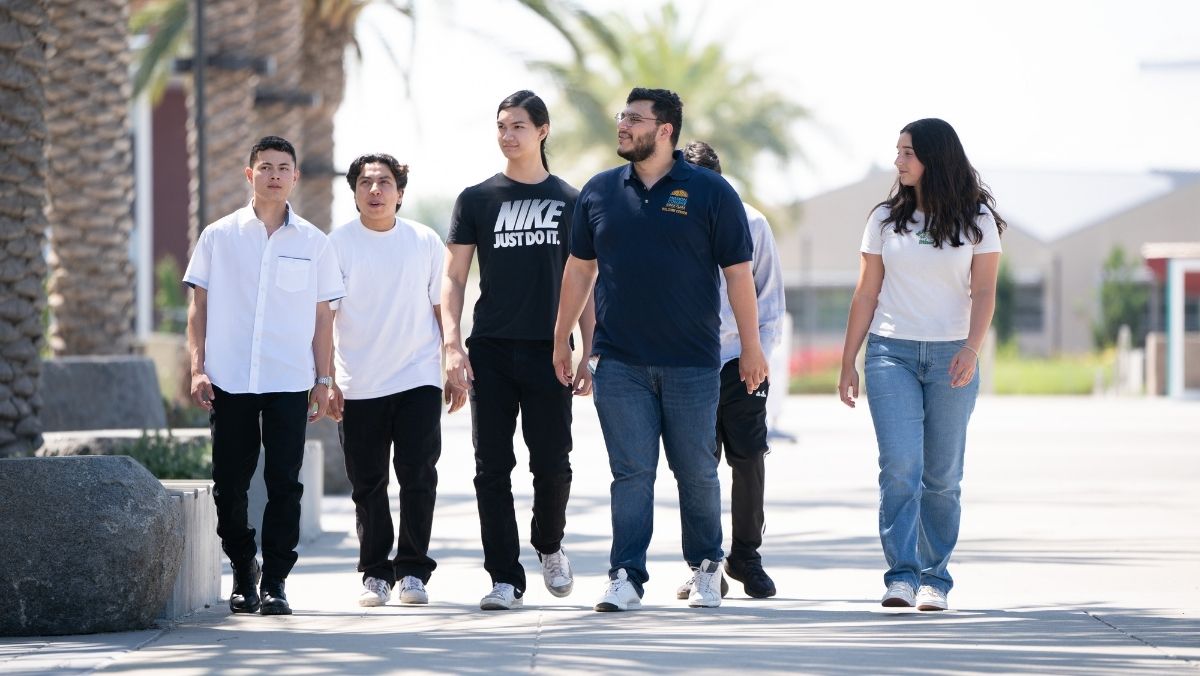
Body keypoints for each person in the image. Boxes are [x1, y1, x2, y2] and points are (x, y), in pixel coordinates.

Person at [553, 88, 768, 612]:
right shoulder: (600, 191)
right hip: (619, 362)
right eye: (622, 116)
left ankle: (706, 568)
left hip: (693, 362)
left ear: (665, 130)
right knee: (631, 473)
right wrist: (562, 337)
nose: (623, 125)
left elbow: (739, 274)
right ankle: (625, 575)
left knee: (696, 471)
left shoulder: (711, 192)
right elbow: (579, 269)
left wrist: (752, 347)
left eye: (635, 118)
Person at [838, 118, 1004, 611]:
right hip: (891, 354)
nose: (898, 161)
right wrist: (848, 361)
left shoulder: (977, 219)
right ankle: (901, 576)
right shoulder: (885, 219)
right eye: (898, 151)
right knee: (900, 468)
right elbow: (866, 293)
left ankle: (935, 579)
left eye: (907, 152)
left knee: (943, 476)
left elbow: (985, 291)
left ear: (935, 156)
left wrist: (971, 348)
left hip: (953, 355)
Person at [442, 90, 594, 611]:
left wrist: (588, 350)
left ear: (543, 131)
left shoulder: (572, 201)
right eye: (502, 126)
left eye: (519, 126)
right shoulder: (476, 199)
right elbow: (453, 277)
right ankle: (504, 578)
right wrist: (452, 344)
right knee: (491, 468)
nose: (508, 135)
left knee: (552, 463)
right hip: (490, 349)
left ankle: (549, 543)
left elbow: (586, 282)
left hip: (551, 352)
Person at [184, 135, 344, 616]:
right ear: (249, 174)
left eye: (283, 167)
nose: (275, 175)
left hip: (289, 380)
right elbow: (198, 309)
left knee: (284, 483)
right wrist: (197, 368)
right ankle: (242, 567)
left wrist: (324, 381)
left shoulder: (314, 243)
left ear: (295, 176)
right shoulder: (218, 236)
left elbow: (322, 319)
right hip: (229, 378)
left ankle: (275, 580)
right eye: (266, 167)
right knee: (228, 483)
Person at [327, 153, 459, 608]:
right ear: (354, 192)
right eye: (365, 182)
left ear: (400, 193)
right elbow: (324, 317)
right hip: (358, 382)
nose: (375, 190)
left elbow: (442, 308)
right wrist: (326, 379)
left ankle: (413, 571)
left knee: (418, 475)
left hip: (417, 378)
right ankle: (375, 574)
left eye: (384, 182)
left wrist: (453, 359)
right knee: (367, 483)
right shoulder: (337, 244)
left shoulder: (423, 240)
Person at [675, 141, 784, 600]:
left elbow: (769, 298)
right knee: (696, 467)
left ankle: (746, 557)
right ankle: (706, 565)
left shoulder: (751, 222)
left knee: (749, 458)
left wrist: (758, 353)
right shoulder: (668, 222)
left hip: (741, 360)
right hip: (686, 363)